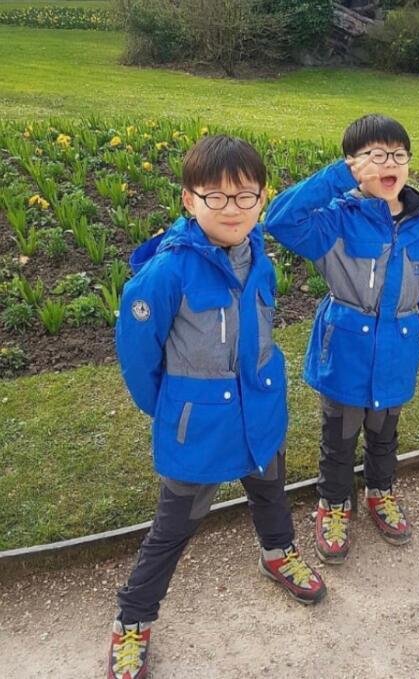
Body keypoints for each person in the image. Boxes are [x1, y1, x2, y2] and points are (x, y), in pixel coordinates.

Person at [107, 135, 326, 679]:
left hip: (260, 413)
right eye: (216, 197)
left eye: (245, 196)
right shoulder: (167, 272)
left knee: (270, 492)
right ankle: (133, 619)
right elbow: (138, 355)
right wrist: (173, 407)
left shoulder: (258, 257)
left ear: (262, 197)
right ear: (189, 200)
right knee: (174, 527)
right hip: (197, 425)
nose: (232, 209)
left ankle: (277, 553)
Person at [264, 114, 419, 564]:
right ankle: (333, 504)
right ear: (353, 164)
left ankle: (380, 492)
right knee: (340, 438)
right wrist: (338, 178)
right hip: (346, 350)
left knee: (385, 434)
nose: (390, 164)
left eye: (398, 155)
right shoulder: (337, 220)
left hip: (398, 352)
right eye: (375, 156)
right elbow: (280, 220)